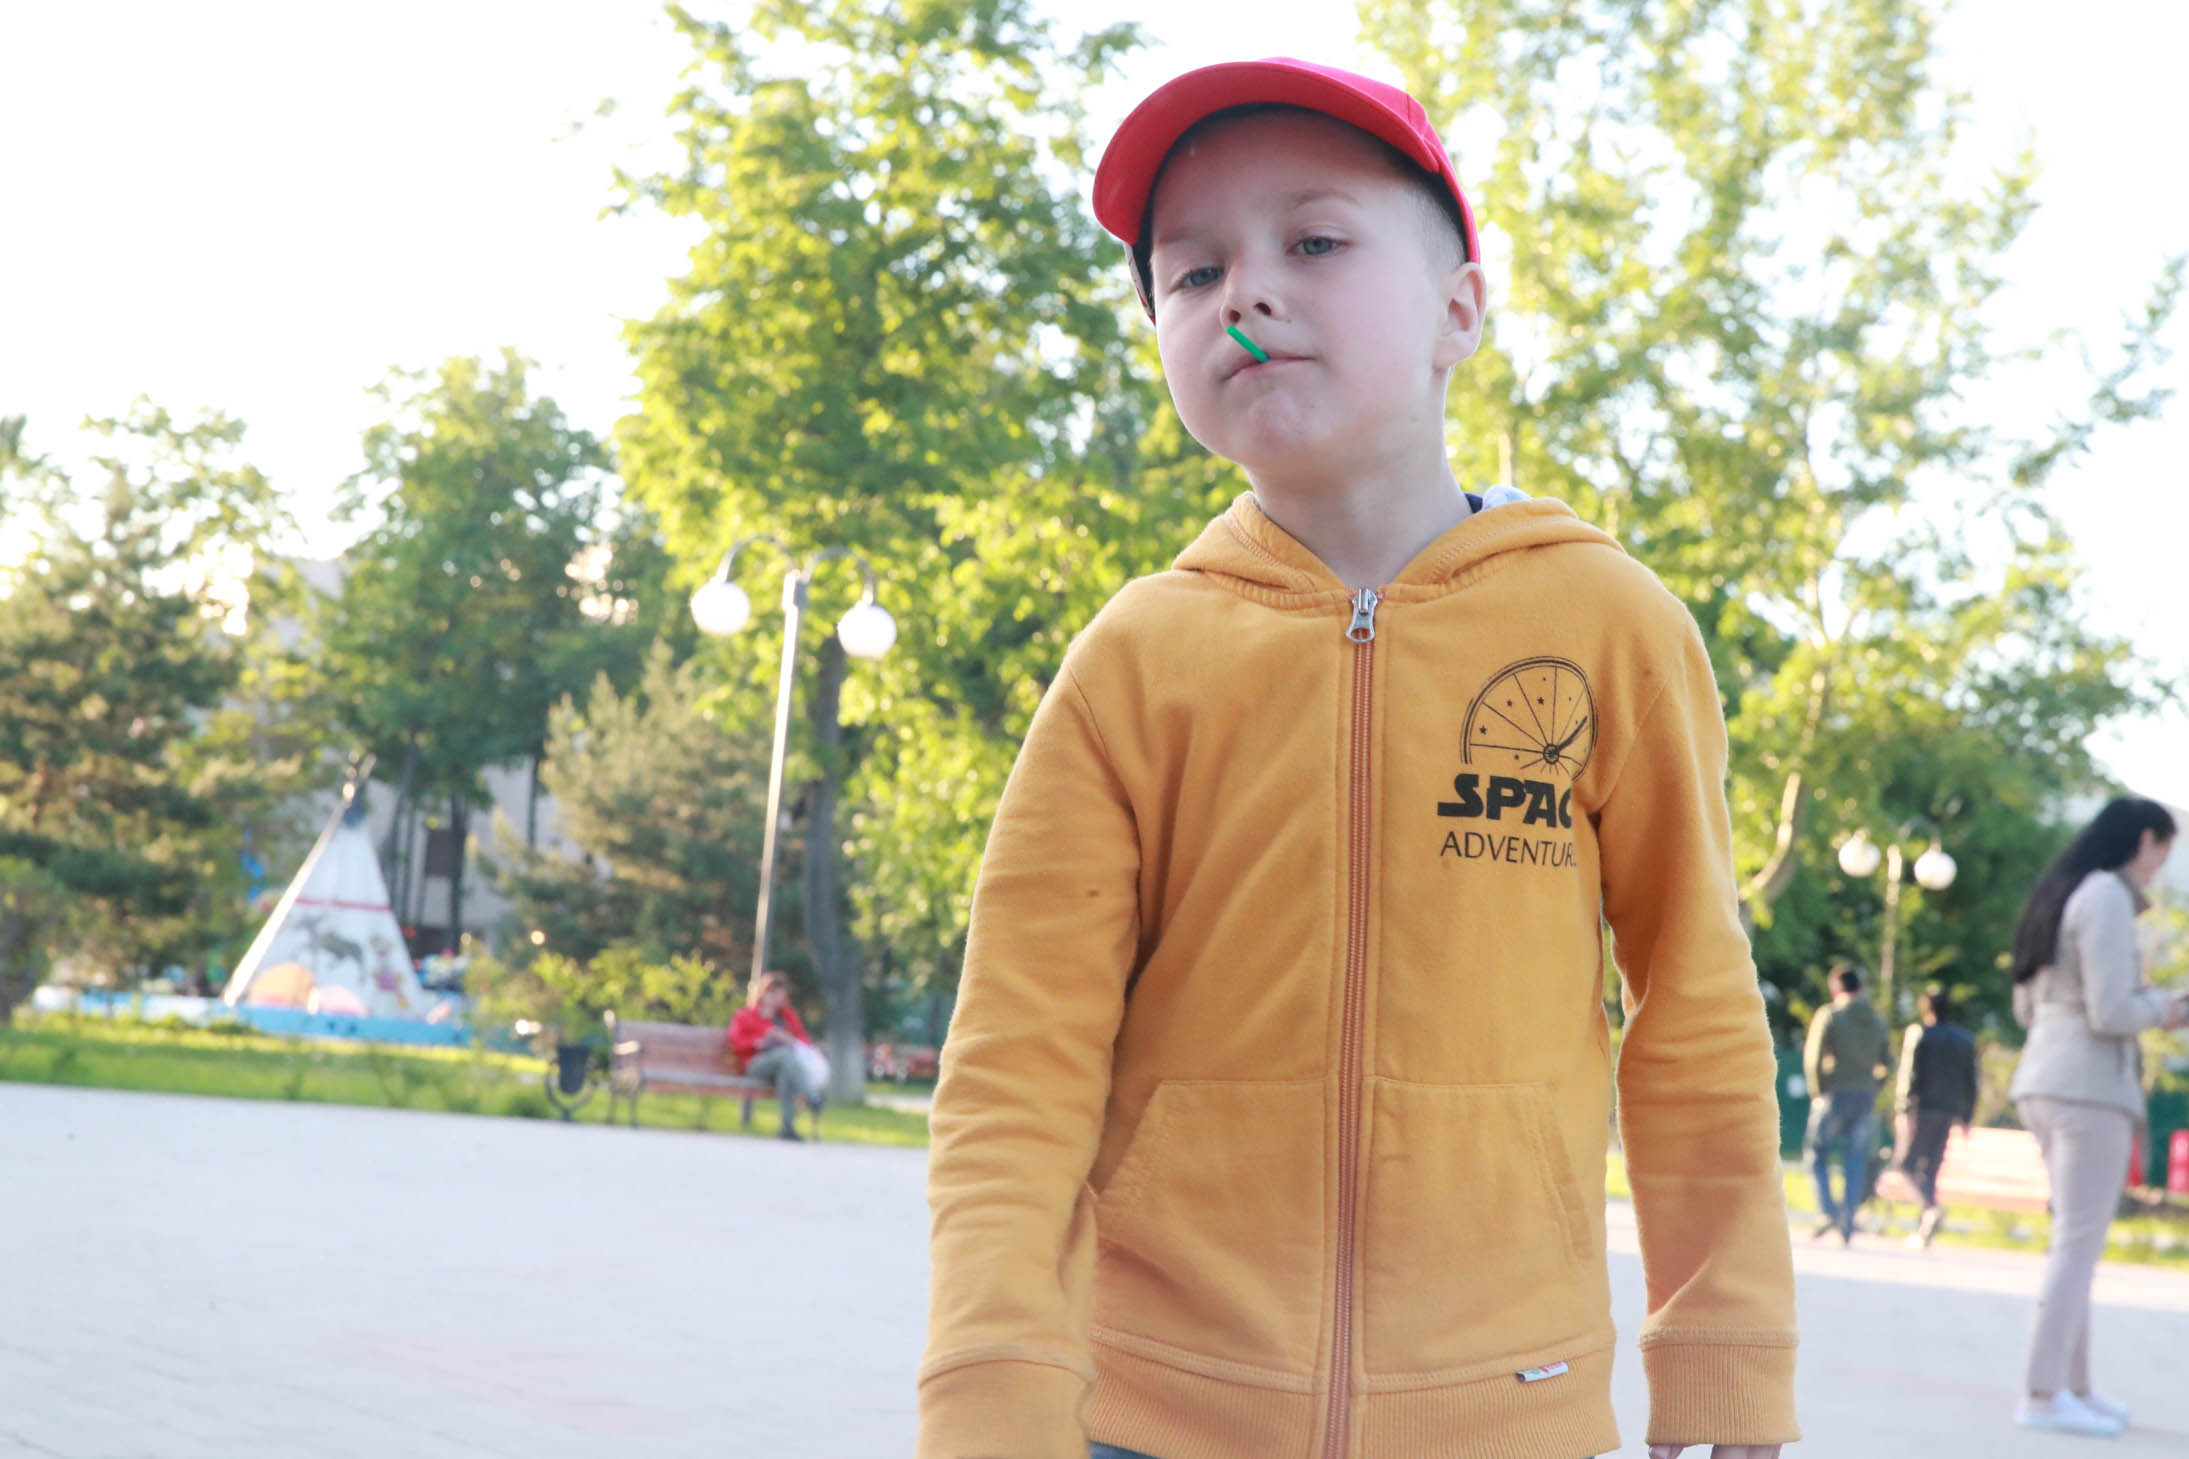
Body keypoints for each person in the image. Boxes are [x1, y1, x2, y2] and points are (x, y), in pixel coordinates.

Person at [918, 58, 1797, 1459]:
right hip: (1147, 1411)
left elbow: (1693, 1008)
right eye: (1192, 273)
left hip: (1507, 1412)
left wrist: (1724, 1343)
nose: (1246, 296)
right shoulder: (1132, 659)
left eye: (1314, 242)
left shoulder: (1611, 625)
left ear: (1459, 310)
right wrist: (990, 1384)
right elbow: (1017, 1059)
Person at [2006, 797, 2187, 1437]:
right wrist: (2168, 1008)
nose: (2162, 864)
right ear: (2144, 839)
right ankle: (2043, 1392)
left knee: (2073, 1240)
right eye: (2165, 849)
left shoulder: (2059, 893)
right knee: (2078, 1245)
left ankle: (2072, 1386)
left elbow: (2027, 1007)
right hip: (2087, 1086)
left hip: (2045, 1077)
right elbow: (2111, 1012)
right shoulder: (2107, 896)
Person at [1801, 963, 1889, 1245]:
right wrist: (1873, 1087)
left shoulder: (1830, 1015)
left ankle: (1828, 1211)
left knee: (1817, 1153)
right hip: (1865, 1097)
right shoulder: (1877, 1020)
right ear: (1860, 988)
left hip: (1834, 1093)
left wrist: (1817, 1091)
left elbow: (1814, 1057)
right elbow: (1888, 1062)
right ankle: (1847, 1221)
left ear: (1835, 989)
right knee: (1855, 1158)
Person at [1891, 984, 1978, 1248]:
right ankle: (1925, 1226)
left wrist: (1904, 1109)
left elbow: (1910, 1073)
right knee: (1931, 1169)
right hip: (1948, 1111)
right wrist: (1967, 1116)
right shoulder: (1964, 1040)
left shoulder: (1920, 1034)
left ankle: (1931, 1208)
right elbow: (1971, 1081)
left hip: (1922, 1109)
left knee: (1906, 1165)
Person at [727, 971, 825, 1141]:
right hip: (755, 1064)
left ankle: (787, 1128)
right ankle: (811, 1096)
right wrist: (758, 1042)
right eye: (772, 993)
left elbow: (803, 1041)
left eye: (780, 994)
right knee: (785, 1056)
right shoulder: (745, 1015)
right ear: (762, 993)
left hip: (785, 1065)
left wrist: (789, 1039)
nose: (775, 998)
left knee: (786, 1072)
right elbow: (735, 1043)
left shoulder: (787, 1017)